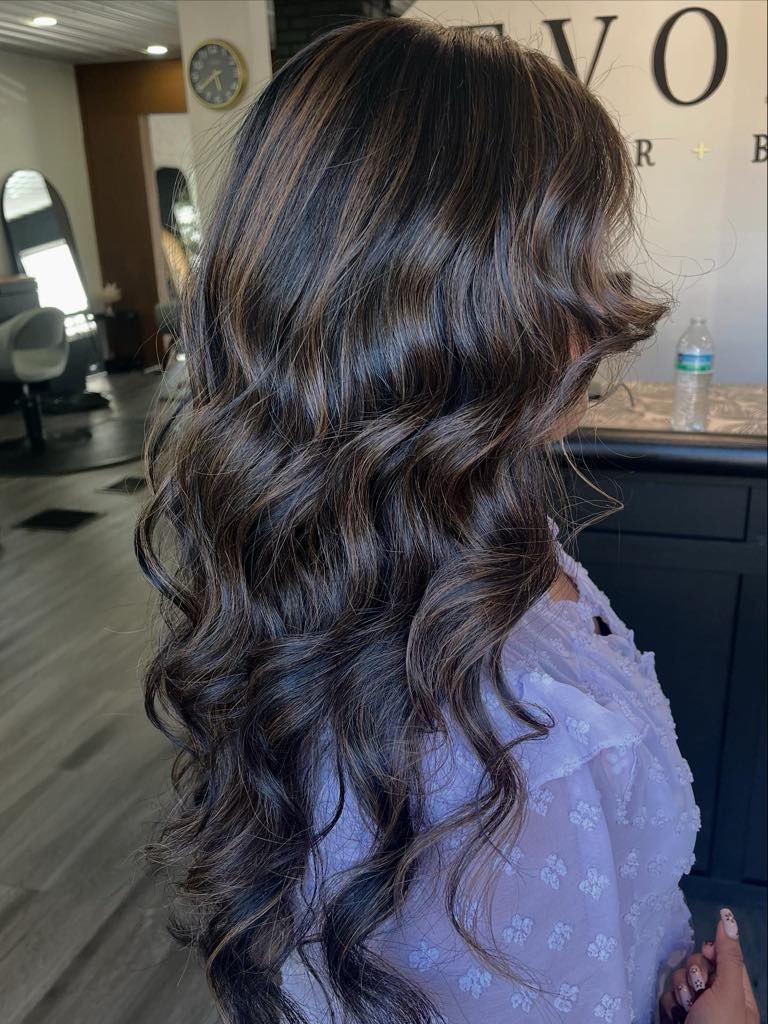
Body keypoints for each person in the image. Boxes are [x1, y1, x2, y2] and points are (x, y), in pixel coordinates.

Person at [135, 18, 758, 1024]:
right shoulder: (528, 748)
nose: (607, 297)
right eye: (576, 254)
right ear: (454, 307)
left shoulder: (346, 565)